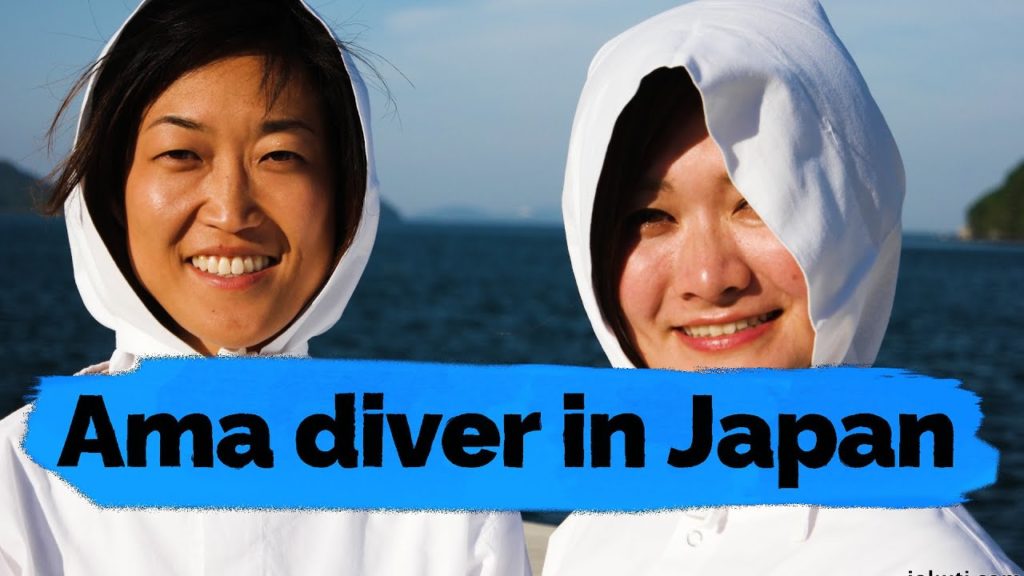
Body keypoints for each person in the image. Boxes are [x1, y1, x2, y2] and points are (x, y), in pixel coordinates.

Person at [0, 0, 530, 574]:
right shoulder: (19, 481)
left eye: (279, 155)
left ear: (348, 202)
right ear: (111, 196)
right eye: (181, 154)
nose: (231, 210)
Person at [544, 0, 1020, 574]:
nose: (708, 278)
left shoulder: (922, 559)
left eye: (759, 204)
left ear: (848, 212)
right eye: (648, 217)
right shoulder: (598, 530)